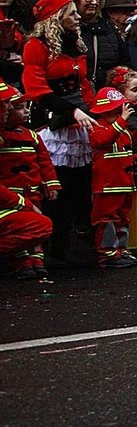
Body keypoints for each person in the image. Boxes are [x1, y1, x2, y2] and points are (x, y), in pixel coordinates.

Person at [21, 0, 96, 266]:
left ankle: (65, 245)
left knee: (77, 188)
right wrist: (71, 110)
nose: (78, 18)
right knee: (56, 191)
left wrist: (91, 109)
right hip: (51, 126)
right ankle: (49, 248)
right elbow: (36, 89)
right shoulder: (36, 45)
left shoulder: (76, 44)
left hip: (77, 124)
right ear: (56, 17)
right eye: (72, 13)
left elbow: (84, 84)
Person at [87, 78, 137, 267]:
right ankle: (107, 254)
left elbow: (135, 141)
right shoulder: (97, 127)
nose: (120, 113)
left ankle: (120, 250)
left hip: (125, 183)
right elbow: (104, 140)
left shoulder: (121, 129)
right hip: (107, 186)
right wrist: (122, 120)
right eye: (116, 110)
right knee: (106, 219)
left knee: (122, 218)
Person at [0, 80, 56, 280]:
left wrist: (50, 184)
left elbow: (44, 161)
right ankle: (22, 263)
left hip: (30, 190)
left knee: (36, 227)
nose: (25, 112)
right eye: (17, 107)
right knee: (26, 228)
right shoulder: (3, 137)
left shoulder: (31, 135)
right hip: (11, 191)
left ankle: (37, 261)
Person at [58, 0, 129, 87]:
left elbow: (125, 62)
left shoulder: (108, 28)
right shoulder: (60, 30)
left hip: (106, 96)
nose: (94, 2)